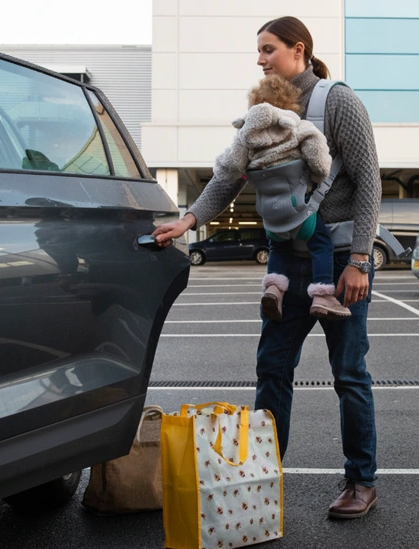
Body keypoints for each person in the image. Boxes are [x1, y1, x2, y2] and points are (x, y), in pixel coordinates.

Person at [152, 15, 381, 520]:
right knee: (272, 370)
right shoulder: (263, 107)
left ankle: (360, 480)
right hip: (287, 265)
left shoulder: (336, 101)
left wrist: (361, 260)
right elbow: (227, 178)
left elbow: (369, 181)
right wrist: (188, 220)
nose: (259, 59)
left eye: (268, 49)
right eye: (258, 50)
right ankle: (262, 475)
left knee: (349, 374)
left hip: (340, 262)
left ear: (298, 50)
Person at [219, 74, 350, 320]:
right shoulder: (299, 128)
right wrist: (314, 175)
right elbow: (321, 165)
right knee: (321, 244)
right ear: (290, 105)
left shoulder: (245, 135)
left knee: (277, 248)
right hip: (299, 210)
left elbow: (229, 168)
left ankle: (274, 290)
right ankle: (322, 294)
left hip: (269, 213)